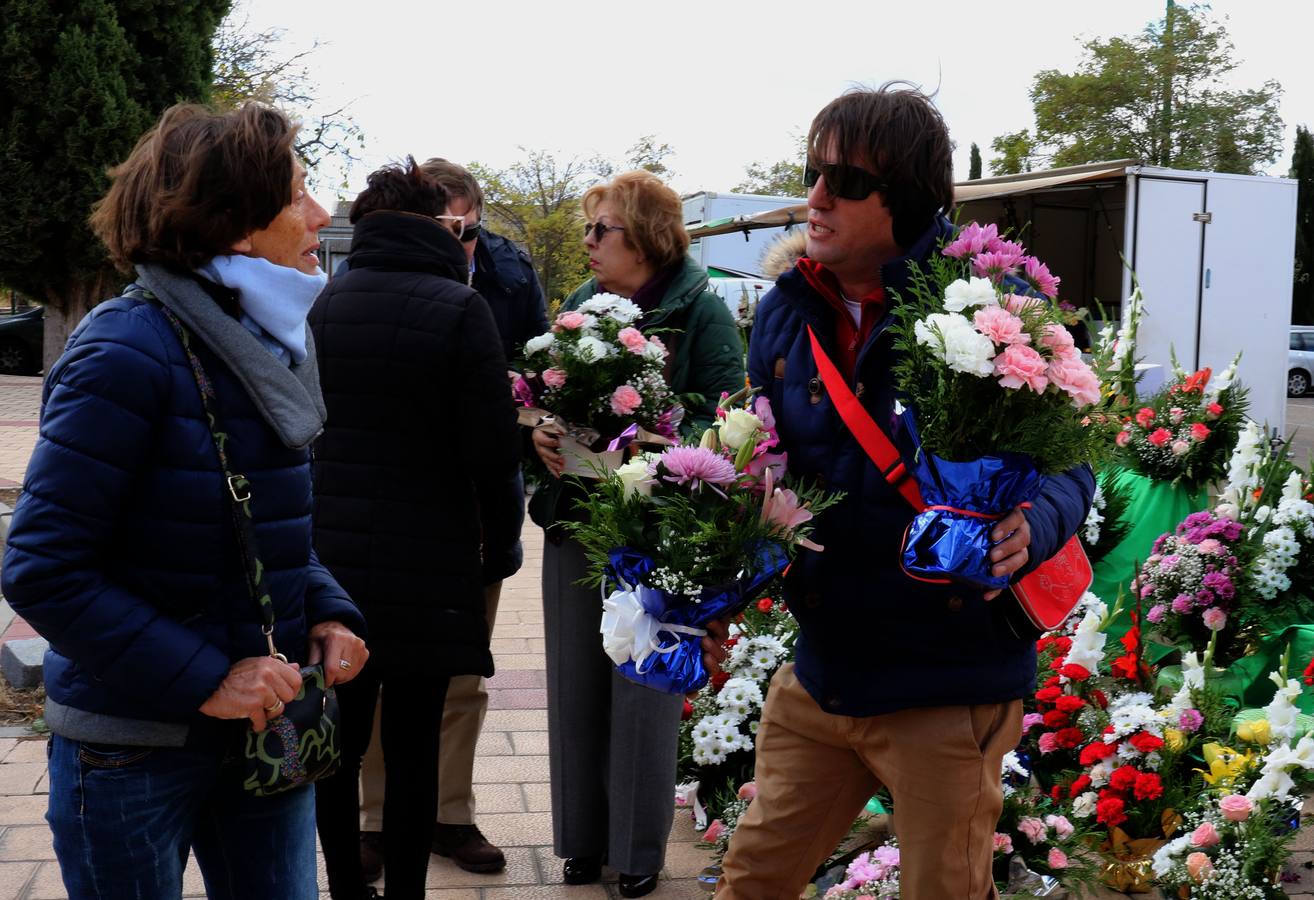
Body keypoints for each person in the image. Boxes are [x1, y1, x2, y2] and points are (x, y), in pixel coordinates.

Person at [712, 85, 1096, 900]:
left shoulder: (999, 309)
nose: (815, 197)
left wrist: (1038, 518)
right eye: (812, 172)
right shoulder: (783, 315)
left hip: (945, 688)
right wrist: (705, 588)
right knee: (750, 884)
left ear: (908, 200)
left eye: (845, 182)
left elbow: (1073, 462)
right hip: (821, 676)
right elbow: (765, 476)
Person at [0, 102, 368, 900]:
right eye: (297, 195)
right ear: (234, 225)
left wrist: (330, 611)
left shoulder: (266, 342)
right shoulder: (126, 350)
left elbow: (267, 530)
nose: (321, 214)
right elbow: (43, 570)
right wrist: (207, 676)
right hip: (133, 750)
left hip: (259, 735)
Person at [308, 157, 522, 900]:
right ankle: (405, 892)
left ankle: (344, 885)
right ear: (440, 224)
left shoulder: (324, 304)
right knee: (413, 742)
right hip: (431, 565)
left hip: (330, 559)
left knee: (337, 740)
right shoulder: (460, 309)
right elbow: (493, 452)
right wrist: (500, 545)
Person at [529, 170, 744, 898]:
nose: (588, 242)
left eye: (602, 229)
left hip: (659, 528)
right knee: (576, 683)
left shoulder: (701, 309)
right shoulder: (582, 305)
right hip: (578, 519)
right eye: (588, 229)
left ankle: (638, 849)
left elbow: (726, 410)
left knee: (644, 688)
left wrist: (644, 426)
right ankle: (582, 842)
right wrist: (545, 436)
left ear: (648, 237)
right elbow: (540, 400)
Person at [352, 158, 546, 878]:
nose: (459, 242)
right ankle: (375, 821)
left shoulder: (510, 275)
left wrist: (516, 408)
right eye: (446, 227)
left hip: (472, 508)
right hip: (387, 510)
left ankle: (449, 815)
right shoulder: (366, 279)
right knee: (373, 675)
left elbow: (540, 368)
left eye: (469, 228)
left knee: (462, 676)